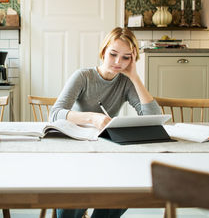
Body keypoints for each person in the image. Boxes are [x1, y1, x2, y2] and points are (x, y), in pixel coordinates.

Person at [49, 27, 161, 218]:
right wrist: (92, 118)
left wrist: (134, 76)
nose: (118, 62)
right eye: (113, 54)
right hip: (77, 151)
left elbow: (152, 117)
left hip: (106, 151)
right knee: (74, 197)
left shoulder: (125, 82)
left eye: (126, 57)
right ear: (103, 52)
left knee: (124, 190)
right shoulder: (83, 76)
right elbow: (55, 113)